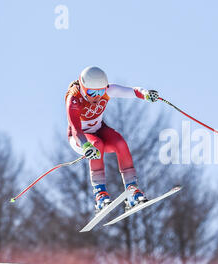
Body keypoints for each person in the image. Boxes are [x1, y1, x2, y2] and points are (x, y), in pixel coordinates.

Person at [65, 66, 159, 212]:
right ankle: (100, 194)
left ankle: (132, 189)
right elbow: (76, 131)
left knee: (120, 143)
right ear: (83, 88)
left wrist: (146, 94)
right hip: (80, 139)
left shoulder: (106, 91)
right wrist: (85, 146)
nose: (97, 96)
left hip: (98, 130)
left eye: (101, 92)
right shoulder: (74, 99)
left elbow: (132, 91)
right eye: (92, 92)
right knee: (97, 144)